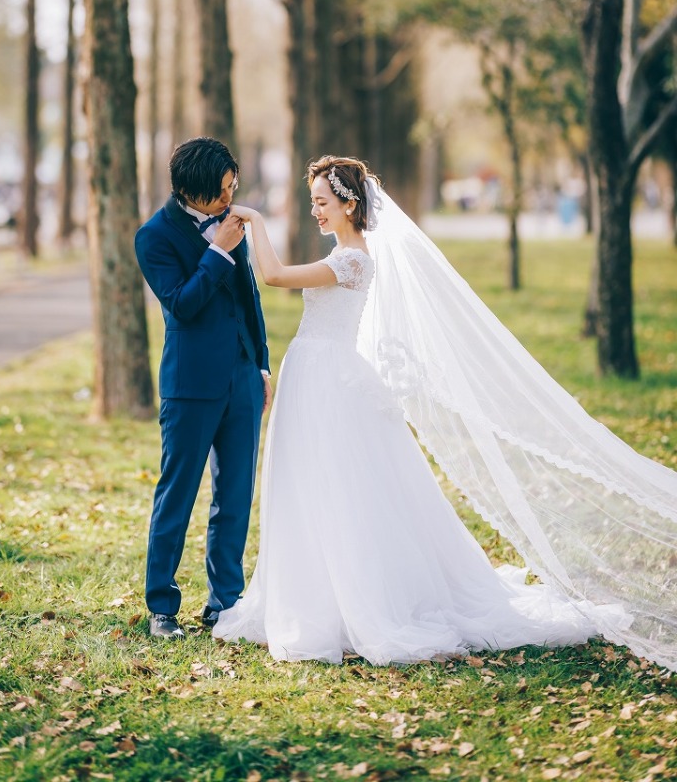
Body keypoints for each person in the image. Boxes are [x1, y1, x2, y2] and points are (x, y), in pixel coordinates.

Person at [214, 155, 677, 670]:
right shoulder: (343, 252)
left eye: (322, 202)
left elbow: (274, 275)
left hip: (329, 379)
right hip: (315, 374)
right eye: (313, 202)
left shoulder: (353, 260)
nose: (316, 211)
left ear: (348, 203)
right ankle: (316, 594)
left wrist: (254, 220)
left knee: (338, 485)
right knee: (311, 485)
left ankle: (353, 601)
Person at [134, 137, 271, 640]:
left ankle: (225, 604)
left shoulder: (231, 221)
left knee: (233, 497)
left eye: (233, 186)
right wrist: (218, 251)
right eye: (222, 190)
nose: (230, 197)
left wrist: (261, 365)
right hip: (190, 386)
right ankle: (162, 607)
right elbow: (183, 305)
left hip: (241, 379)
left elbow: (249, 296)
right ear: (191, 192)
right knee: (178, 495)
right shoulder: (154, 237)